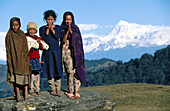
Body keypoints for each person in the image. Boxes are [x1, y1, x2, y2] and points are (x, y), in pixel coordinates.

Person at [5, 17, 31, 102]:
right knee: (16, 77)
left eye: (16, 25)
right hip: (14, 59)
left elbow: (25, 46)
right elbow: (9, 49)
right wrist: (11, 59)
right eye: (13, 25)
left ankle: (26, 93)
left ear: (19, 25)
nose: (14, 27)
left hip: (24, 58)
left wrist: (26, 56)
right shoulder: (9, 35)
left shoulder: (22, 34)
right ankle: (18, 94)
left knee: (26, 76)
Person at [61, 11, 85, 99]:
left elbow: (78, 41)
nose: (68, 21)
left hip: (76, 52)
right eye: (67, 19)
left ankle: (77, 91)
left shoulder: (76, 28)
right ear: (64, 20)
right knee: (70, 71)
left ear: (73, 20)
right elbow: (62, 41)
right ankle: (70, 91)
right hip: (66, 50)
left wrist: (72, 32)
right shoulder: (62, 28)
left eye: (70, 19)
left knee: (77, 70)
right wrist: (68, 32)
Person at [39, 10, 63, 96]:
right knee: (49, 69)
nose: (49, 21)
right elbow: (44, 38)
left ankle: (58, 88)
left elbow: (58, 36)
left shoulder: (58, 28)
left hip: (56, 52)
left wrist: (52, 29)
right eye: (48, 19)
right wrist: (48, 30)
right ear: (45, 19)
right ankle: (52, 88)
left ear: (54, 19)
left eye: (51, 19)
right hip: (47, 52)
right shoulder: (42, 28)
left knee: (57, 68)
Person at [26, 22, 46, 96]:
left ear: (36, 31)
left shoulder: (38, 38)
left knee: (37, 75)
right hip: (29, 59)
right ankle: (31, 90)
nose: (31, 31)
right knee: (31, 75)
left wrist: (39, 43)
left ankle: (37, 89)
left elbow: (42, 48)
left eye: (33, 29)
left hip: (36, 59)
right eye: (30, 29)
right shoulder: (27, 39)